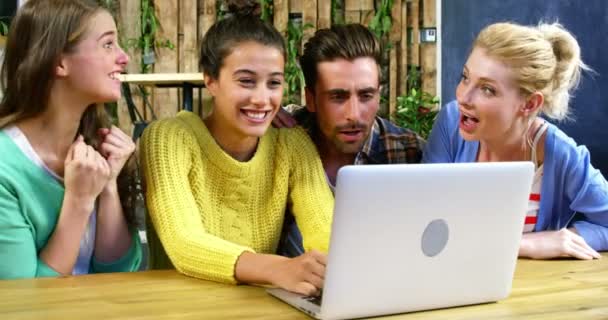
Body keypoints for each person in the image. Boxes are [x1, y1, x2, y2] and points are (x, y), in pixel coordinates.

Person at [139, 1, 333, 296]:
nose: (262, 98)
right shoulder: (169, 139)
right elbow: (184, 242)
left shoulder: (291, 144)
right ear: (211, 80)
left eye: (274, 83)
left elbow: (325, 229)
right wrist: (279, 269)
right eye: (246, 81)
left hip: (254, 306)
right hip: (178, 306)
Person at [423, 21, 608, 259]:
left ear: (530, 104)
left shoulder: (559, 154)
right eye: (465, 77)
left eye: (487, 89)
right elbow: (426, 224)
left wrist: (564, 237)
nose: (463, 97)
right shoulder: (451, 122)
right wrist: (524, 244)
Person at [0, 0, 142, 279]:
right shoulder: (6, 169)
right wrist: (78, 201)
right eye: (108, 44)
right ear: (60, 62)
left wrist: (109, 184)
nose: (124, 57)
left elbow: (121, 273)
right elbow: (23, 299)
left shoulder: (95, 146)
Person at [274, 24, 425, 257]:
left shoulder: (409, 152)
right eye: (338, 97)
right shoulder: (280, 137)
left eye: (366, 95)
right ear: (311, 99)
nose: (354, 114)